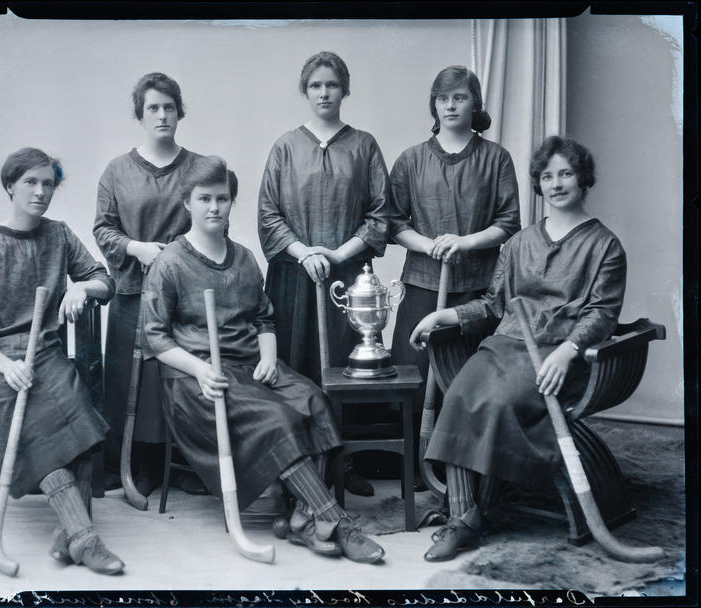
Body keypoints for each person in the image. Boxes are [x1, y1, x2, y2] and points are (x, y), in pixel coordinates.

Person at [143, 156, 386, 564]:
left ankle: (303, 517)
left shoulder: (243, 258)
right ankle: (336, 521)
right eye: (204, 199)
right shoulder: (170, 262)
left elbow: (263, 318)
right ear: (187, 203)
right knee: (275, 418)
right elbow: (155, 336)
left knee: (313, 400)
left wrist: (270, 357)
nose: (214, 207)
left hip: (250, 366)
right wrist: (200, 369)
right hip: (198, 380)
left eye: (222, 198)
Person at [410, 136, 626, 562]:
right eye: (547, 176)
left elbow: (602, 313)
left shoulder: (605, 246)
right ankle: (463, 517)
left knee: (498, 400)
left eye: (566, 174)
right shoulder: (519, 243)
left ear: (583, 180)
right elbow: (494, 304)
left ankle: (483, 501)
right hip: (506, 345)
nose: (556, 184)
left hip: (558, 357)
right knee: (461, 394)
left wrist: (568, 350)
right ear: (538, 184)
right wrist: (443, 316)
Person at [0, 148, 124, 575]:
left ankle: (69, 534)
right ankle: (86, 539)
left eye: (48, 184)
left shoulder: (58, 236)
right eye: (30, 182)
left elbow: (105, 280)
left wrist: (82, 288)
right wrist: (5, 366)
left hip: (41, 355)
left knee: (81, 416)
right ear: (10, 186)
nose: (40, 191)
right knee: (38, 425)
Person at [258, 51, 390, 496]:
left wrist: (336, 255)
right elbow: (268, 215)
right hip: (294, 279)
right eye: (315, 85)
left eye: (332, 84)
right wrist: (303, 254)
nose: (324, 92)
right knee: (295, 367)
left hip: (345, 282)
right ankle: (296, 466)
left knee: (344, 368)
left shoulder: (364, 145)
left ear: (344, 90)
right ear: (305, 91)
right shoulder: (285, 146)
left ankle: (343, 465)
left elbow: (380, 215)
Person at [93, 72, 206, 497]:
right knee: (133, 382)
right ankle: (139, 465)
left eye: (169, 107)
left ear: (180, 112)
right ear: (140, 115)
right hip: (133, 293)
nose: (162, 115)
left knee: (177, 377)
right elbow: (103, 228)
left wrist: (177, 259)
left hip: (183, 295)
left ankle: (183, 463)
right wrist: (136, 248)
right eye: (153, 108)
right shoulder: (117, 171)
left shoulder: (199, 168)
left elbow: (213, 224)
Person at [389, 65, 520, 415]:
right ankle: (415, 449)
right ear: (434, 105)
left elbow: (509, 223)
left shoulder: (496, 158)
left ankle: (461, 450)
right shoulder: (410, 160)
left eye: (459, 98)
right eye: (443, 98)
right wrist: (428, 245)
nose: (450, 105)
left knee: (470, 382)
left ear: (474, 104)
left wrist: (464, 242)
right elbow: (393, 222)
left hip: (477, 290)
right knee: (413, 376)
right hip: (422, 285)